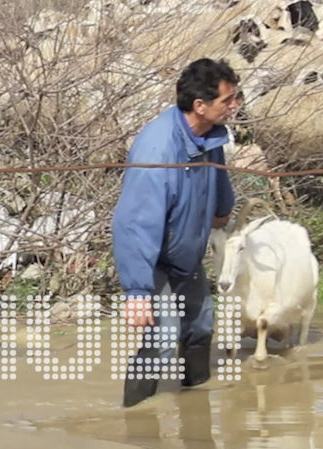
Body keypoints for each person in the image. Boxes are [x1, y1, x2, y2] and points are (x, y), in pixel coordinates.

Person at [112, 58, 241, 408]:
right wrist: (137, 291)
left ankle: (195, 404)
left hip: (186, 253)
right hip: (154, 260)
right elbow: (133, 224)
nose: (235, 106)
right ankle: (134, 416)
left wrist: (222, 208)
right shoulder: (158, 151)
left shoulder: (208, 135)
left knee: (200, 325)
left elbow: (218, 174)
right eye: (227, 100)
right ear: (200, 106)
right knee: (164, 336)